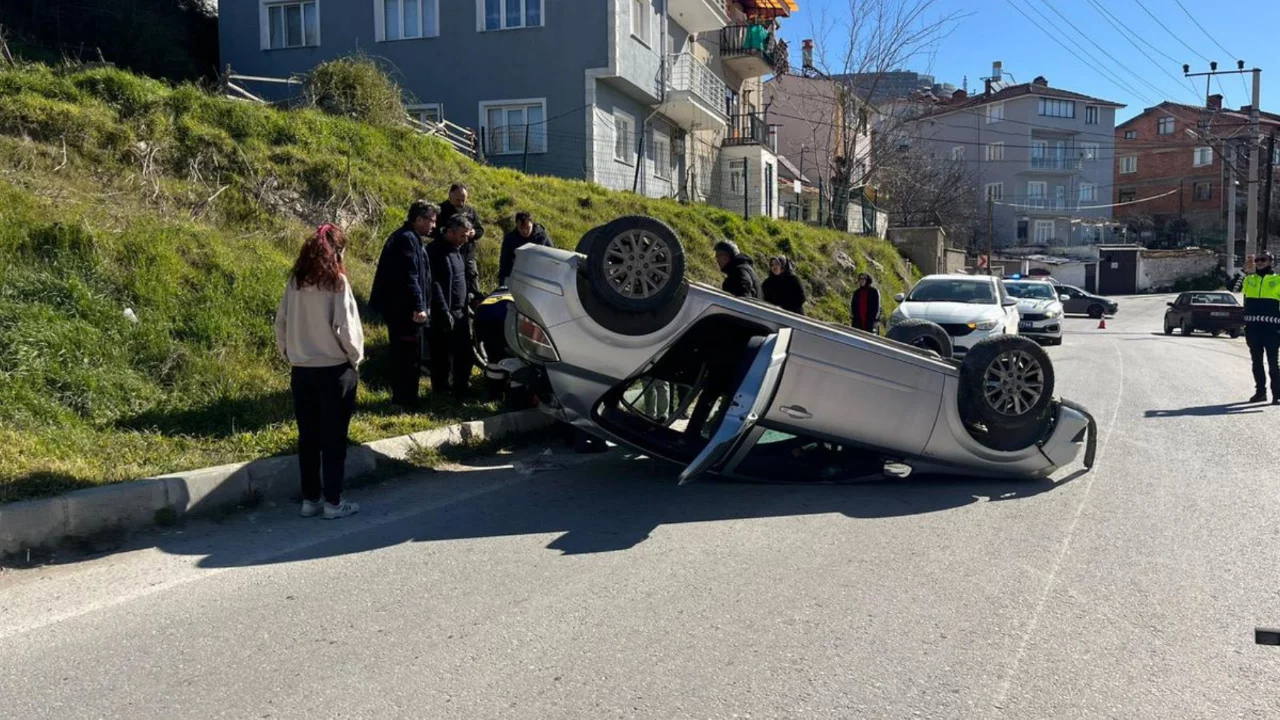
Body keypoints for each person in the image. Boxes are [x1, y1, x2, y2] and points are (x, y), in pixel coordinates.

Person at [274, 224, 364, 520]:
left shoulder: (295, 283)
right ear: (336, 250)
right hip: (335, 370)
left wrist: (289, 353)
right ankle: (333, 502)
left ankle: (310, 499)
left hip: (302, 370)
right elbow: (347, 329)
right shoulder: (338, 282)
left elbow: (281, 324)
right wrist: (355, 359)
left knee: (308, 438)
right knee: (334, 439)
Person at [368, 200, 436, 409]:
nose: (433, 226)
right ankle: (403, 400)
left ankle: (407, 398)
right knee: (406, 357)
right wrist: (419, 306)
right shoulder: (406, 240)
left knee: (409, 355)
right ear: (418, 219)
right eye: (431, 221)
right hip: (403, 311)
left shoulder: (411, 238)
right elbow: (410, 276)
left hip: (404, 309)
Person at [428, 215, 476, 401]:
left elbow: (462, 277)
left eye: (467, 235)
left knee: (464, 353)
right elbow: (434, 283)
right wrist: (443, 310)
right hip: (443, 311)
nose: (465, 240)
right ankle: (441, 391)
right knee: (441, 356)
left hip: (460, 310)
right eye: (462, 235)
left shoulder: (458, 250)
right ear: (450, 232)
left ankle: (461, 388)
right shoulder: (435, 251)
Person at [1236, 251, 1280, 403]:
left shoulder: (1278, 280)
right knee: (1257, 362)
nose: (1260, 262)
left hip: (1272, 329)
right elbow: (1234, 289)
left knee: (1273, 362)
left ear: (1271, 262)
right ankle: (1260, 392)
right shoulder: (1249, 279)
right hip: (1253, 328)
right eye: (1258, 260)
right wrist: (1244, 271)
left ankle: (1277, 394)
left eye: (1264, 260)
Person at [435, 182, 486, 305]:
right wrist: (448, 234)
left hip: (468, 252)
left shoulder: (470, 211)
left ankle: (475, 305)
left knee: (472, 278)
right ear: (450, 196)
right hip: (447, 253)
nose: (461, 203)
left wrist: (474, 233)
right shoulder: (440, 210)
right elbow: (434, 231)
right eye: (458, 200)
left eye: (463, 200)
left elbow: (480, 230)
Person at [497, 211, 553, 287]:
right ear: (516, 225)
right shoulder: (510, 239)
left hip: (538, 276)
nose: (525, 231)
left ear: (532, 224)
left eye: (528, 227)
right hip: (518, 275)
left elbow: (551, 258)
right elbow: (504, 263)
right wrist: (502, 283)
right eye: (521, 228)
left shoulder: (542, 236)